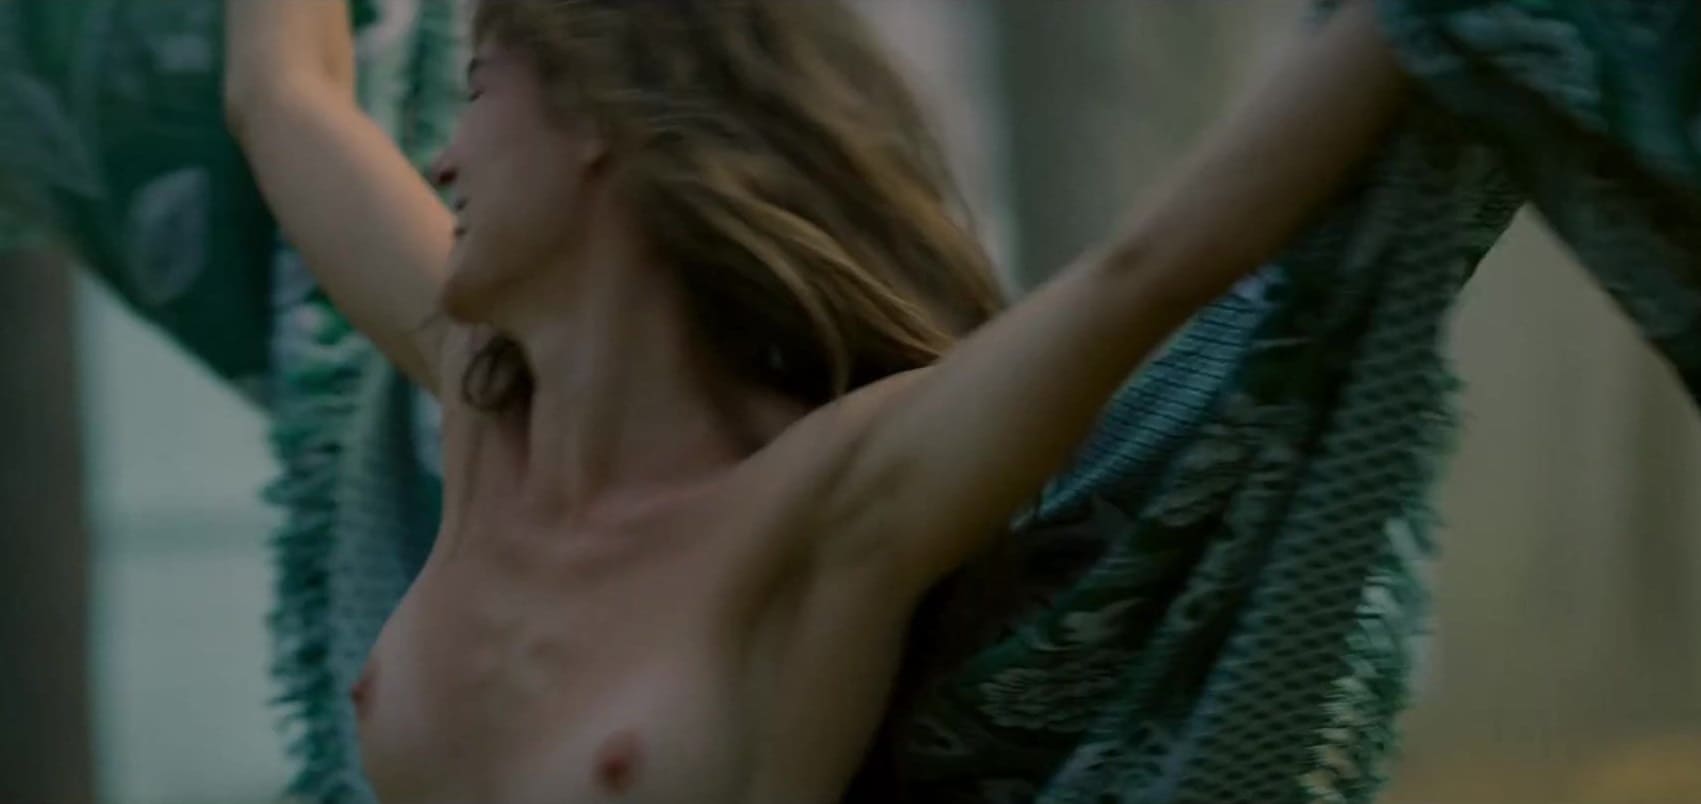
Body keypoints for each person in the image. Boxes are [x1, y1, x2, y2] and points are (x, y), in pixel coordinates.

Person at [222, 0, 1408, 800]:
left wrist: (1417, 28)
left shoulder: (826, 509)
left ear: (595, 119)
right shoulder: (480, 410)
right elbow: (287, 96)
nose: (441, 160)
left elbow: (1149, 272)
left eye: (477, 91)